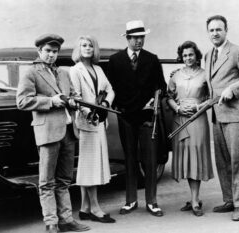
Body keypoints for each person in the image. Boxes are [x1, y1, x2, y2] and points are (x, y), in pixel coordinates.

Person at [16, 34, 90, 233]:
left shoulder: (63, 73)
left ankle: (66, 219)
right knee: (46, 181)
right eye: (48, 51)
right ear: (39, 51)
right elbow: (22, 101)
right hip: (48, 132)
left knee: (65, 179)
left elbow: (74, 94)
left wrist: (74, 101)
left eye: (55, 52)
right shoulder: (31, 72)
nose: (51, 55)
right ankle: (51, 223)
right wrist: (51, 102)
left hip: (67, 131)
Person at [107, 20, 167, 217]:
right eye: (135, 37)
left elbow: (161, 86)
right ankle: (131, 200)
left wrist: (154, 101)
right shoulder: (115, 60)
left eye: (142, 37)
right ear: (128, 38)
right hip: (126, 117)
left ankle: (152, 202)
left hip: (147, 117)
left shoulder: (152, 59)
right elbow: (110, 89)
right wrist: (117, 107)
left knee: (149, 160)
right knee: (130, 159)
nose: (139, 40)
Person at [205, 15, 239, 221]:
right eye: (211, 30)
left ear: (226, 30)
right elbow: (209, 84)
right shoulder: (207, 55)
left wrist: (233, 90)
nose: (215, 33)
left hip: (235, 115)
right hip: (217, 116)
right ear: (208, 32)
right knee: (222, 161)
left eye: (219, 29)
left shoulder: (238, 51)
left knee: (238, 161)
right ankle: (229, 199)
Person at [69, 35, 115, 223]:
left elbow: (110, 90)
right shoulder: (75, 70)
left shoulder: (98, 69)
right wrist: (91, 112)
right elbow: (77, 97)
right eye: (84, 45)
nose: (87, 48)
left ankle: (84, 208)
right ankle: (95, 208)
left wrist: (104, 104)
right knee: (89, 166)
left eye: (90, 45)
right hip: (87, 122)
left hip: (99, 120)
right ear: (78, 49)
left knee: (89, 165)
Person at [167, 41, 214, 217]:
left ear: (197, 56)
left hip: (197, 119)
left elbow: (211, 98)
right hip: (179, 120)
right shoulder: (175, 75)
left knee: (195, 156)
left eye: (191, 55)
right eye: (185, 55)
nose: (188, 58)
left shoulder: (205, 75)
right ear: (181, 57)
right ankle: (193, 197)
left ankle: (195, 200)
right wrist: (177, 108)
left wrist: (197, 107)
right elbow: (169, 97)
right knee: (186, 158)